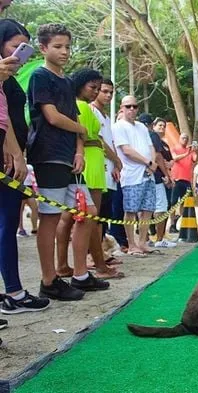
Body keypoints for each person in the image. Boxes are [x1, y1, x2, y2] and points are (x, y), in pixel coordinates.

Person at [28, 24, 109, 300]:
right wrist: (82, 132)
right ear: (43, 48)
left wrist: (79, 149)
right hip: (48, 154)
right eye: (57, 46)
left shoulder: (66, 81)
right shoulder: (40, 77)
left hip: (70, 158)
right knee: (50, 218)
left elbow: (73, 119)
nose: (64, 52)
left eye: (67, 46)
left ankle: (80, 274)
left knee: (87, 212)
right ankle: (49, 280)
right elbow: (51, 116)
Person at [0, 18, 50, 314]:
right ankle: (15, 293)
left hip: (11, 153)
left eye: (24, 47)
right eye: (14, 45)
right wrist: (14, 154)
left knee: (7, 223)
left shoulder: (9, 79)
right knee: (6, 224)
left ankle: (14, 291)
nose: (20, 52)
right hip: (7, 156)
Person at [55, 69, 124, 280]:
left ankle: (65, 265)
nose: (95, 92)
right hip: (90, 161)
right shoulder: (83, 107)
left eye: (97, 88)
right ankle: (96, 266)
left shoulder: (79, 106)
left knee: (70, 217)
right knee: (89, 219)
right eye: (92, 87)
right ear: (80, 85)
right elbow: (84, 136)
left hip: (90, 159)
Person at [112, 95, 157, 256]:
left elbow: (151, 146)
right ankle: (131, 244)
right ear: (122, 108)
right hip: (131, 175)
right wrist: (148, 162)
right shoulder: (118, 126)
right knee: (130, 210)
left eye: (135, 106)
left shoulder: (142, 127)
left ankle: (142, 242)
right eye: (128, 106)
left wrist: (152, 164)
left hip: (148, 174)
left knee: (147, 209)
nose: (132, 109)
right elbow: (126, 150)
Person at [91, 78, 126, 256]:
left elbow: (110, 142)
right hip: (98, 171)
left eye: (111, 92)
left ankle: (102, 253)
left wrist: (116, 164)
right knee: (94, 217)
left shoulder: (106, 116)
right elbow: (99, 141)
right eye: (104, 91)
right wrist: (116, 160)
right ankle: (94, 256)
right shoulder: (91, 111)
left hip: (110, 173)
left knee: (104, 216)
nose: (108, 95)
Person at [145, 116, 176, 247]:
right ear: (153, 125)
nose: (161, 128)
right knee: (160, 207)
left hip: (148, 175)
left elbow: (168, 160)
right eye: (159, 125)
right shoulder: (152, 136)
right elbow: (158, 157)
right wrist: (165, 174)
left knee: (146, 208)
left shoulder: (162, 142)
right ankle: (158, 239)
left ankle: (147, 239)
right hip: (156, 177)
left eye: (164, 126)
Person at [168, 133, 197, 233]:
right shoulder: (174, 148)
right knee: (173, 203)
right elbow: (174, 158)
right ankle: (172, 224)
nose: (185, 140)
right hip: (176, 178)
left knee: (185, 203)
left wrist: (195, 150)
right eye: (183, 138)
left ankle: (182, 223)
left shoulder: (190, 150)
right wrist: (186, 154)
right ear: (179, 139)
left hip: (187, 180)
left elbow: (195, 159)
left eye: (186, 138)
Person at [18, 164, 39, 236]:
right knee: (20, 209)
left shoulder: (31, 162)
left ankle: (34, 228)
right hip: (21, 185)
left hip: (29, 187)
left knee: (35, 208)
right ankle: (21, 228)